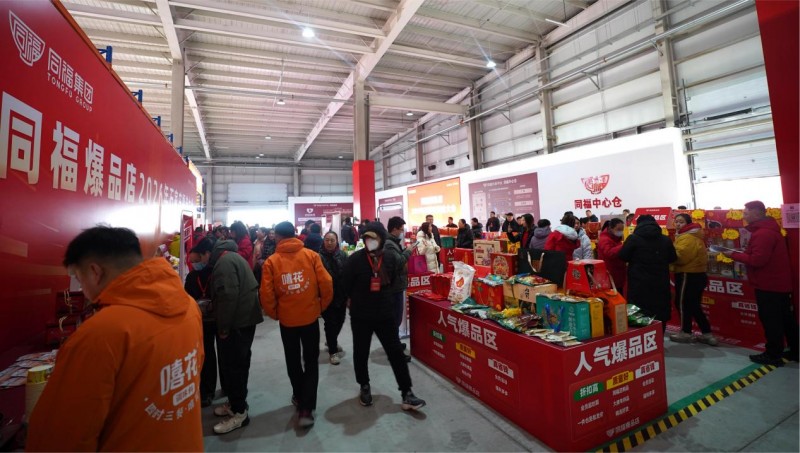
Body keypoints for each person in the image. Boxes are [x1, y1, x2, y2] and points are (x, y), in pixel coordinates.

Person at [27, 226, 204, 451]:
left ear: (95, 272)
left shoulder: (100, 334)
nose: (83, 290)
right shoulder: (189, 306)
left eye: (79, 279)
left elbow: (60, 438)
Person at [342, 223, 427, 411]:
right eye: (367, 238)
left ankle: (407, 392)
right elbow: (345, 285)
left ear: (381, 239)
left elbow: (395, 279)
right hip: (361, 315)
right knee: (361, 351)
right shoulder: (355, 260)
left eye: (374, 238)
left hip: (384, 313)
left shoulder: (389, 257)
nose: (370, 242)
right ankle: (364, 385)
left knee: (395, 352)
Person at [260, 221, 333, 428]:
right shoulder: (311, 256)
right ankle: (306, 408)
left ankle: (300, 397)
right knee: (311, 361)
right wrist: (320, 307)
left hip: (287, 321)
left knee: (292, 360)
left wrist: (275, 313)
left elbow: (266, 294)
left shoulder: (272, 262)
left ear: (277, 237)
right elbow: (327, 283)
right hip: (310, 318)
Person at [202, 237, 264, 434]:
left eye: (200, 257)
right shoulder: (233, 257)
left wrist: (223, 328)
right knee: (239, 364)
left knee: (234, 366)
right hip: (245, 318)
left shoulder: (224, 263)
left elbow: (228, 296)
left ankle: (239, 413)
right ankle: (237, 403)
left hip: (238, 322)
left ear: (208, 253)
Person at [725, 201, 798, 366]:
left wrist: (733, 255)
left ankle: (773, 355)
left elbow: (758, 260)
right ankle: (795, 351)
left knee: (772, 321)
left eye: (746, 213)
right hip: (777, 284)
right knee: (785, 319)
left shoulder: (763, 233)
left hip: (768, 285)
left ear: (756, 213)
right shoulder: (768, 230)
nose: (743, 216)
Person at [619, 215, 677, 331]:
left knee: (639, 312)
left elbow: (623, 256)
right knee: (660, 311)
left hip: (638, 282)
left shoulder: (633, 239)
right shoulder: (665, 239)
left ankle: (643, 339)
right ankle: (659, 338)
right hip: (660, 281)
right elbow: (673, 258)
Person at [670, 213, 717, 346]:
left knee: (683, 303)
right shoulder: (690, 235)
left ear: (688, 223)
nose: (678, 224)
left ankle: (686, 332)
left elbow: (681, 258)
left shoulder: (688, 237)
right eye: (676, 222)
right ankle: (707, 333)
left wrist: (667, 257)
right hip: (696, 274)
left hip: (687, 274)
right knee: (694, 305)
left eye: (681, 222)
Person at [185, 238, 222, 408]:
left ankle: (224, 388)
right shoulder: (193, 276)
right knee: (208, 356)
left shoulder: (216, 271)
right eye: (192, 262)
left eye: (196, 260)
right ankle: (208, 391)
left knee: (221, 355)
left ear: (205, 255)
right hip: (204, 320)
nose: (194, 264)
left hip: (217, 318)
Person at [384, 216, 414, 360]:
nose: (402, 232)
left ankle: (394, 344)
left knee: (395, 318)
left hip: (395, 285)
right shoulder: (389, 244)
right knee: (394, 319)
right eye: (401, 230)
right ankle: (395, 352)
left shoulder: (392, 242)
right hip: (393, 287)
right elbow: (399, 261)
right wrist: (409, 251)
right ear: (394, 229)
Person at [320, 231, 348, 365]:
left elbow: (348, 273)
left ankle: (331, 340)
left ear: (337, 241)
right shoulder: (317, 257)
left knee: (340, 320)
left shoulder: (343, 255)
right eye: (327, 240)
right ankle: (333, 351)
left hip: (341, 294)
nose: (329, 243)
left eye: (332, 240)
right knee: (330, 323)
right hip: (326, 296)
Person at [596, 218, 626, 293]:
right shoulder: (604, 239)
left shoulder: (616, 239)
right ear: (610, 228)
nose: (620, 232)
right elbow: (609, 253)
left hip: (617, 274)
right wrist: (623, 246)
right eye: (618, 229)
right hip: (610, 275)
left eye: (622, 230)